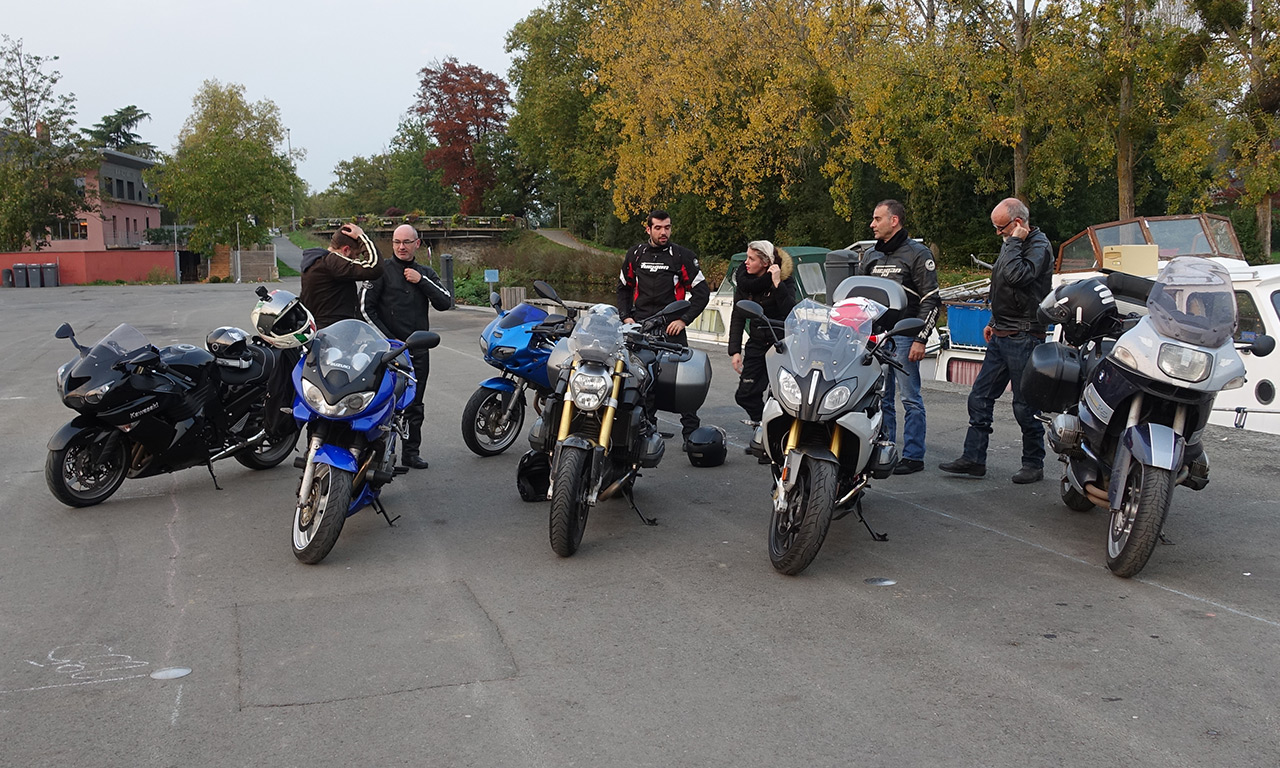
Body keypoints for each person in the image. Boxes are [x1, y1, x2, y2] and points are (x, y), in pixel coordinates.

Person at [939, 197, 1054, 484]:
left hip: (1024, 334)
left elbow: (1016, 277)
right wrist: (993, 320)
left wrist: (1014, 241)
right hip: (1004, 331)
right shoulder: (1012, 244)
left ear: (1016, 223)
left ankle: (1033, 462)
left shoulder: (1038, 246)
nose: (998, 233)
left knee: (1024, 405)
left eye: (1001, 228)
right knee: (979, 396)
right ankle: (974, 458)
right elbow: (1000, 283)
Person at [360, 224, 452, 470]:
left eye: (407, 242)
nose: (401, 247)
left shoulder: (425, 273)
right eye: (397, 242)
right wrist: (390, 341)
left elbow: (445, 302)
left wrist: (421, 281)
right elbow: (364, 310)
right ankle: (375, 457)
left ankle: (411, 454)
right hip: (385, 352)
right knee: (379, 405)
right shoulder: (380, 271)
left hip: (417, 350)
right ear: (392, 243)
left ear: (417, 244)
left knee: (414, 405)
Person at [616, 209, 711, 446]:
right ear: (648, 229)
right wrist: (626, 318)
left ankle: (691, 434)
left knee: (683, 381)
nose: (663, 232)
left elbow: (702, 293)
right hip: (641, 330)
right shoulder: (635, 254)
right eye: (658, 228)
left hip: (672, 329)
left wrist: (684, 320)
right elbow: (623, 288)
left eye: (667, 227)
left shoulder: (682, 256)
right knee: (640, 380)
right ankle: (646, 430)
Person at [859, 200, 940, 475]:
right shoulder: (870, 255)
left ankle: (914, 456)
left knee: (910, 398)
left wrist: (920, 338)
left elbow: (932, 300)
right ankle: (884, 449)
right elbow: (857, 298)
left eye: (877, 218)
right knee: (879, 397)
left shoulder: (918, 253)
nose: (872, 224)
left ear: (894, 221)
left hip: (905, 337)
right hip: (876, 336)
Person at [728, 241, 797, 428]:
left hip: (781, 345)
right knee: (745, 394)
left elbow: (791, 311)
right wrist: (734, 351)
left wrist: (777, 284)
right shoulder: (744, 282)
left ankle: (775, 440)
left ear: (765, 263)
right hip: (757, 344)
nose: (746, 263)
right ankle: (764, 428)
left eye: (751, 259)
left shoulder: (785, 280)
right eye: (746, 257)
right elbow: (738, 314)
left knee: (780, 396)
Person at [300, 223, 383, 329]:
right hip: (333, 335)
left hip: (322, 331)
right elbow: (374, 267)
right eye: (357, 254)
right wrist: (362, 237)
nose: (357, 259)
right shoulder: (331, 262)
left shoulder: (316, 263)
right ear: (346, 250)